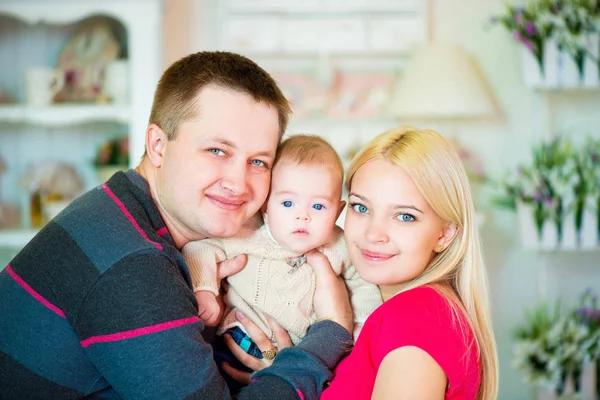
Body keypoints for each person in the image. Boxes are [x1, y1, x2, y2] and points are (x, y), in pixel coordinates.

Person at [0, 51, 354, 400]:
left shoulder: (125, 210)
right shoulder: (130, 262)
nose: (239, 182)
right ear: (157, 145)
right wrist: (329, 333)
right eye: (217, 150)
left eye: (258, 161)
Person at [181, 135, 382, 380]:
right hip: (242, 341)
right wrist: (205, 290)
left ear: (338, 212)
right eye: (288, 203)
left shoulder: (339, 245)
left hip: (310, 351)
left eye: (318, 207)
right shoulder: (247, 235)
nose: (302, 216)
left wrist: (363, 328)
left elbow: (363, 282)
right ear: (266, 206)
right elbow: (199, 249)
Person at [321, 127, 499, 399]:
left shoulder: (411, 317)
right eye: (361, 207)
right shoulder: (434, 311)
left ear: (445, 233)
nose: (373, 234)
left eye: (404, 216)